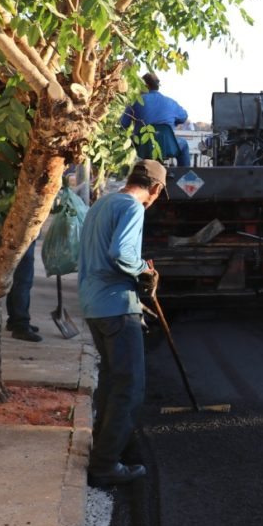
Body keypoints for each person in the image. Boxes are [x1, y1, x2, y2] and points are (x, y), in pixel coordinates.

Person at [78, 159, 167, 486]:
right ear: (155, 189)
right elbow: (121, 253)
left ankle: (103, 444)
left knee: (113, 381)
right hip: (116, 306)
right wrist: (144, 268)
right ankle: (105, 465)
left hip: (92, 305)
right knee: (130, 387)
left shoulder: (102, 202)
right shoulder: (133, 208)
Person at [120, 72, 190, 166]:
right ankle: (183, 177)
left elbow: (123, 125)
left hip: (142, 147)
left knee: (127, 143)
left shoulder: (135, 102)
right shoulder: (171, 102)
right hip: (168, 146)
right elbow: (184, 117)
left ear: (144, 85)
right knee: (184, 144)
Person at [5, 241, 42, 342]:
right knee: (23, 280)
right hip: (23, 235)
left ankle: (14, 319)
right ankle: (21, 325)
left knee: (18, 278)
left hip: (19, 236)